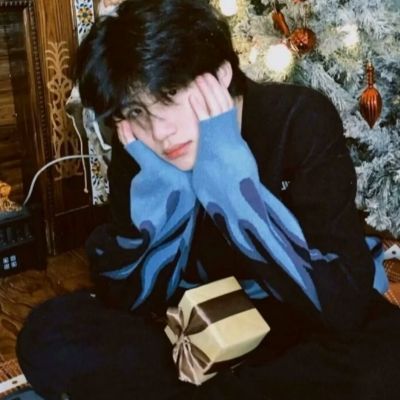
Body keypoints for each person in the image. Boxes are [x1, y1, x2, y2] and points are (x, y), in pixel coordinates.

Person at [16, 0, 400, 399]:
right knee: (49, 335)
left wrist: (235, 193)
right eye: (135, 111)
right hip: (190, 324)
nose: (160, 132)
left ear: (220, 72)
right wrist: (165, 196)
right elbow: (127, 299)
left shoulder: (298, 118)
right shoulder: (140, 150)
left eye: (169, 93)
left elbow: (342, 303)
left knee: (387, 355)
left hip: (293, 316)